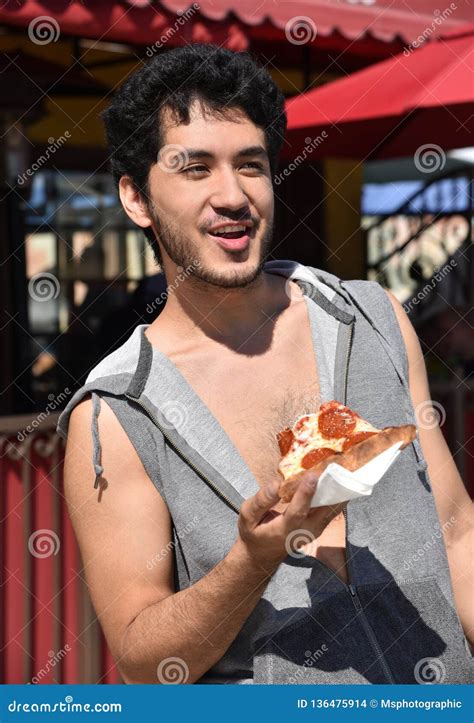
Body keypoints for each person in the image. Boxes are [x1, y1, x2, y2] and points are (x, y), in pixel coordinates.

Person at [57, 44, 473, 685]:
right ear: (137, 199)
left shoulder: (372, 319)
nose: (233, 195)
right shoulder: (115, 414)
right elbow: (143, 660)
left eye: (250, 165)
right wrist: (251, 561)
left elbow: (457, 532)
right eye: (195, 169)